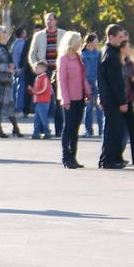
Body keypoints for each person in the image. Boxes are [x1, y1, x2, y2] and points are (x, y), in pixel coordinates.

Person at [29, 12, 67, 136]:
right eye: (46, 20)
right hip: (44, 72)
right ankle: (41, 129)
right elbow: (32, 53)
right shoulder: (38, 35)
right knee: (42, 102)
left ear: (56, 21)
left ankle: (59, 129)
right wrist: (35, 66)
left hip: (58, 70)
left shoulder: (63, 34)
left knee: (59, 100)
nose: (48, 22)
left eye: (50, 19)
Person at [97, 24, 129, 169]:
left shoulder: (108, 52)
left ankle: (114, 158)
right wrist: (122, 101)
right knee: (112, 130)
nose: (122, 39)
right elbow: (115, 82)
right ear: (111, 37)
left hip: (109, 97)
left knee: (116, 129)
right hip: (112, 99)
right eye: (120, 37)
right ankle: (107, 160)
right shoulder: (110, 55)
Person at [57, 31, 90, 168]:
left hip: (80, 96)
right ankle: (66, 157)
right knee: (69, 128)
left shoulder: (78, 57)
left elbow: (83, 77)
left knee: (75, 128)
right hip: (69, 98)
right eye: (78, 40)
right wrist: (65, 99)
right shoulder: (63, 59)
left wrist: (88, 92)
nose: (80, 43)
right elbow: (62, 80)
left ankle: (73, 157)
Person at [0, 26, 23, 138]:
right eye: (3, 32)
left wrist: (13, 68)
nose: (6, 34)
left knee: (9, 104)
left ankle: (15, 128)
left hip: (7, 78)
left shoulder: (4, 47)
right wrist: (7, 68)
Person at [81, 34, 103, 138]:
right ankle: (88, 130)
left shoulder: (99, 53)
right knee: (88, 107)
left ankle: (102, 130)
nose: (97, 42)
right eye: (96, 40)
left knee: (100, 107)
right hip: (87, 83)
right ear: (89, 42)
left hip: (98, 82)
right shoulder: (82, 54)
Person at [29, 62, 52, 139]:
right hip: (38, 101)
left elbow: (44, 89)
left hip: (43, 101)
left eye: (37, 67)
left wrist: (34, 91)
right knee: (37, 118)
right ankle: (36, 133)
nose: (35, 69)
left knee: (43, 118)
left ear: (43, 69)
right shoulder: (38, 78)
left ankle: (47, 132)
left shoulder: (44, 78)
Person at [11, 27, 29, 116]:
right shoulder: (22, 43)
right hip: (20, 68)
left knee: (14, 88)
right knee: (20, 89)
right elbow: (21, 56)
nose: (26, 33)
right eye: (25, 32)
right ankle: (19, 109)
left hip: (14, 68)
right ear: (22, 34)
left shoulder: (14, 43)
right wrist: (21, 67)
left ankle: (14, 108)